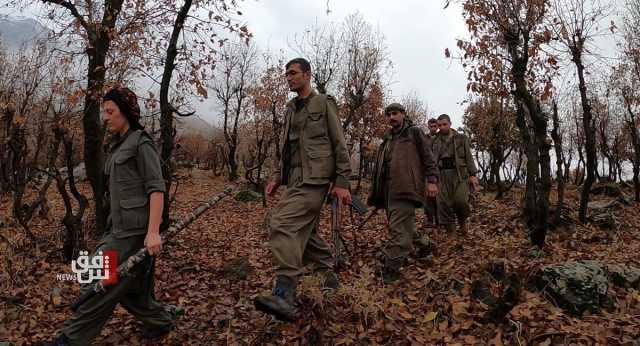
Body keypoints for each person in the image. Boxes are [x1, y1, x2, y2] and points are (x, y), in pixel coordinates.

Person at [45, 87, 175, 346]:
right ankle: (160, 321)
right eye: (104, 111)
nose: (105, 117)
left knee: (95, 280)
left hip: (133, 234)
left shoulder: (141, 143)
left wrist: (152, 233)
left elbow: (157, 189)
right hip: (116, 229)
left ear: (125, 112)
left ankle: (69, 340)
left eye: (110, 111)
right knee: (129, 288)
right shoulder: (117, 145)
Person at [254, 58, 352, 322]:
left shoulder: (323, 103)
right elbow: (285, 148)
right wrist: (276, 176)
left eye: (293, 73)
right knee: (305, 234)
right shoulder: (290, 109)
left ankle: (285, 292)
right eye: (286, 74)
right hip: (294, 179)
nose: (289, 78)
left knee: (281, 223)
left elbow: (339, 143)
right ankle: (329, 278)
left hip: (316, 179)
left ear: (308, 75)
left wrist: (342, 182)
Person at [367, 103, 439, 283]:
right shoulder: (388, 139)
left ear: (403, 114)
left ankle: (390, 271)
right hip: (389, 191)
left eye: (395, 113)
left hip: (406, 188)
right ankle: (426, 245)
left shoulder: (414, 132)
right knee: (403, 226)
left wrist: (432, 180)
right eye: (389, 114)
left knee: (398, 232)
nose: (392, 117)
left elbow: (428, 157)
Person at [431, 114, 480, 235]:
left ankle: (462, 221)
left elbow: (468, 156)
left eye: (444, 124)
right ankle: (451, 233)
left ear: (450, 124)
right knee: (443, 204)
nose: (442, 127)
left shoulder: (461, 138)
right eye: (439, 125)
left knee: (461, 201)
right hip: (441, 175)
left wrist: (473, 174)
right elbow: (431, 161)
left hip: (459, 175)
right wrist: (430, 179)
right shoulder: (434, 141)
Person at [424, 118, 439, 227]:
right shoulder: (424, 138)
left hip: (440, 171)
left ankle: (439, 219)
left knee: (439, 196)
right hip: (428, 171)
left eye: (435, 126)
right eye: (431, 126)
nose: (433, 128)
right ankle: (429, 219)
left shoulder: (440, 138)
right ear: (428, 126)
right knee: (428, 196)